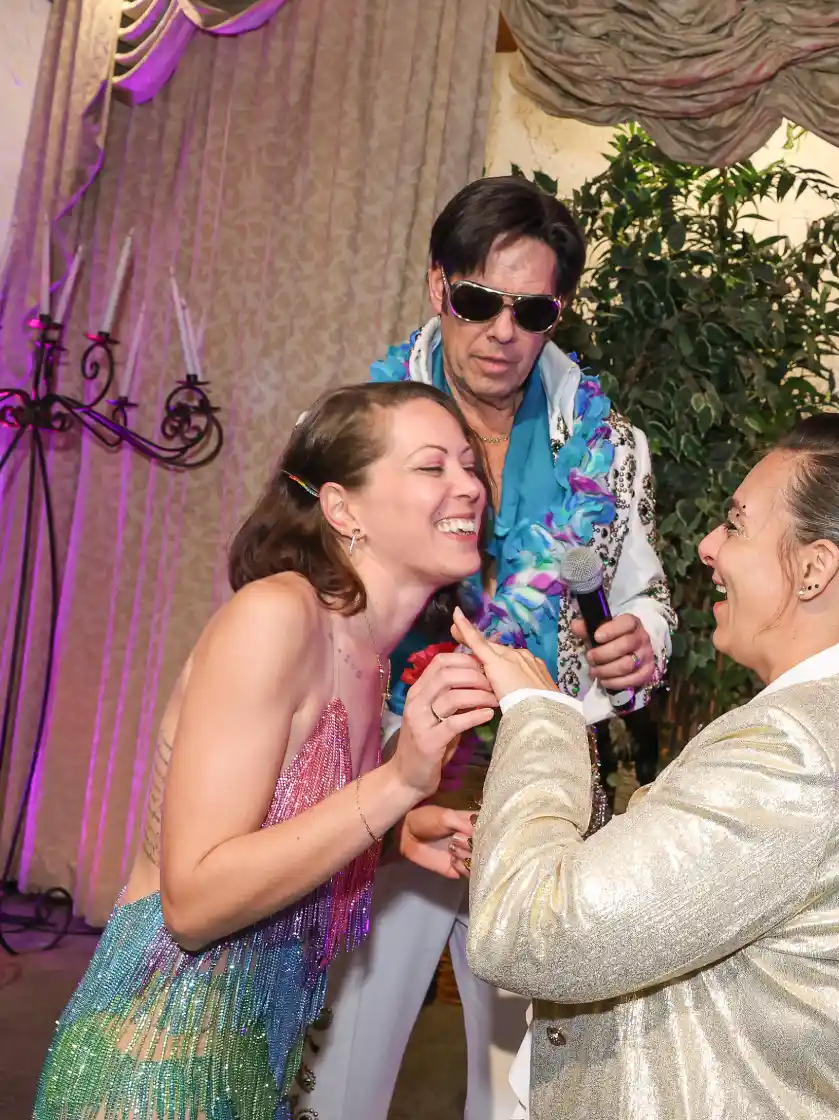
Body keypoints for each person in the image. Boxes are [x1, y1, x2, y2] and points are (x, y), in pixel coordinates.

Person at [454, 412, 839, 1119]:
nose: (708, 546)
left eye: (737, 525)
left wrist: (541, 714)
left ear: (814, 569)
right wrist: (552, 844)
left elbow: (529, 932)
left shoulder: (797, 753)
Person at [303, 175, 675, 1120]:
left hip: (542, 781)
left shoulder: (609, 445)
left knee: (522, 1084)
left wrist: (644, 641)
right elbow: (308, 598)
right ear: (439, 286)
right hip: (389, 765)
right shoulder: (363, 431)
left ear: (559, 312)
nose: (503, 331)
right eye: (478, 301)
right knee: (339, 1065)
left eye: (532, 310)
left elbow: (646, 591)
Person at [34, 381, 497, 1120]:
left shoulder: (370, 658)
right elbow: (194, 903)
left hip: (250, 1076)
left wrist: (396, 838)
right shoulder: (275, 616)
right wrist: (399, 784)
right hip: (151, 1074)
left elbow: (285, 840)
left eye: (469, 465)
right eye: (431, 465)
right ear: (343, 509)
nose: (469, 485)